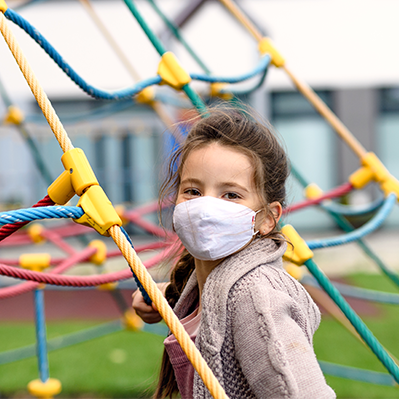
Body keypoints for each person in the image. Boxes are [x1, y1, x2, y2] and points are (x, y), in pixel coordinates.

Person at [132, 106, 336, 399]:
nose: (205, 208)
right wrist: (168, 298)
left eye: (231, 195)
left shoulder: (255, 298)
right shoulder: (208, 282)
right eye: (193, 191)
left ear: (267, 218)